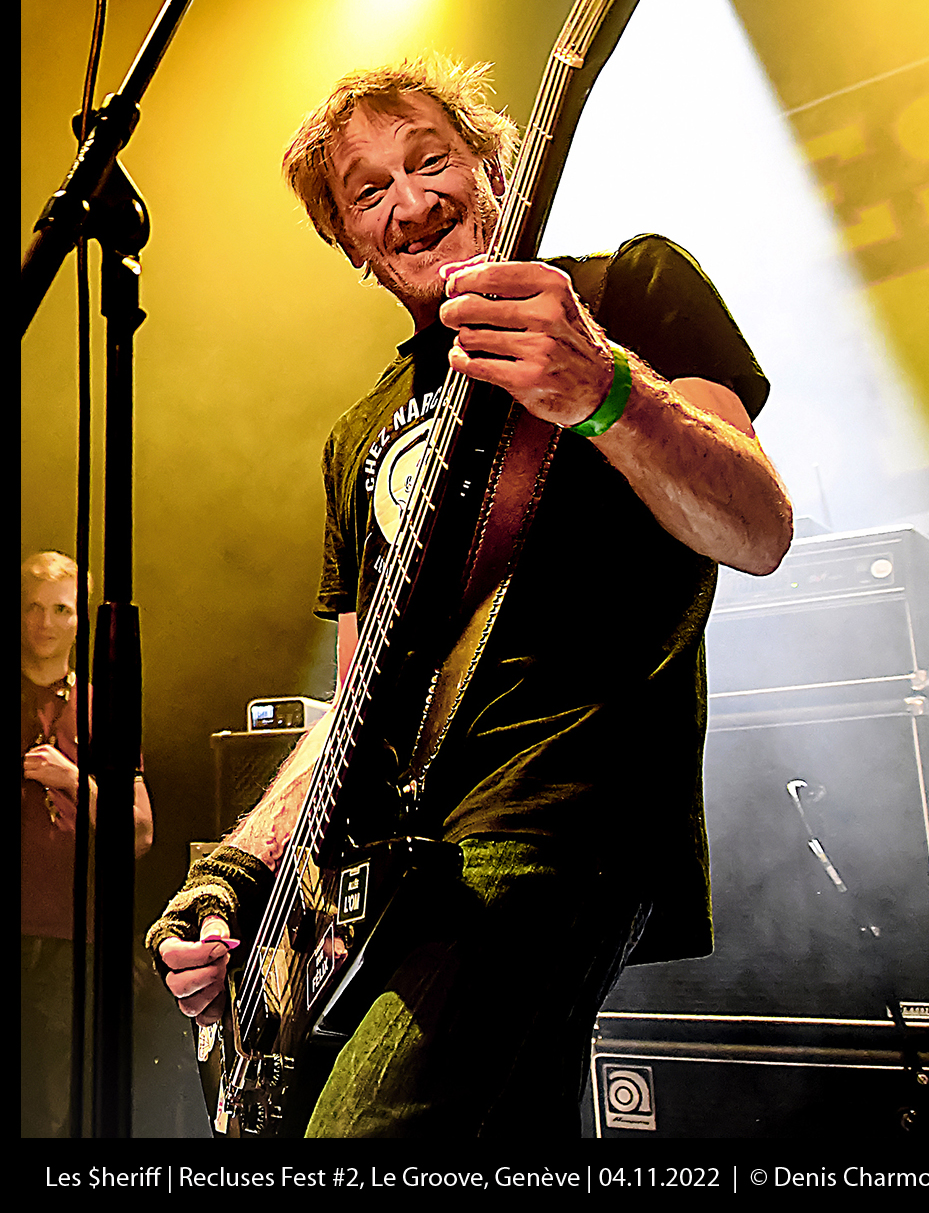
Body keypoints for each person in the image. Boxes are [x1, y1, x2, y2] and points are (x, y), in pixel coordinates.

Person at [146, 55, 793, 1138]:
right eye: (368, 191)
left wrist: (602, 389)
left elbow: (757, 528)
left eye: (429, 159)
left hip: (557, 821)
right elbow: (352, 716)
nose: (409, 202)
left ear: (492, 164)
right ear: (351, 243)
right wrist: (238, 872)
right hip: (396, 877)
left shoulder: (621, 291)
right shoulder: (359, 433)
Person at [21, 550, 154, 1137]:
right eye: (32, 607)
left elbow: (140, 833)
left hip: (72, 943)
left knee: (58, 1112)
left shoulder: (103, 708)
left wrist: (74, 779)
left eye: (60, 609)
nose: (44, 622)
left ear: (81, 621)